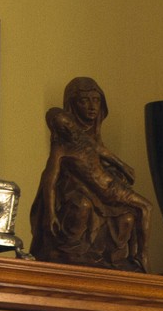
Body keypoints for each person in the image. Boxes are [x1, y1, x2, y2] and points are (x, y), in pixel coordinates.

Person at [30, 77, 152, 269]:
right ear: (72, 106)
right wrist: (51, 213)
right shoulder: (62, 147)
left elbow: (104, 157)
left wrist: (122, 170)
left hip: (107, 190)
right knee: (82, 205)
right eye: (84, 101)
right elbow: (51, 179)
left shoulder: (90, 141)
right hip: (79, 192)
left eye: (96, 100)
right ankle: (73, 250)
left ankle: (132, 257)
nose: (92, 106)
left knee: (128, 217)